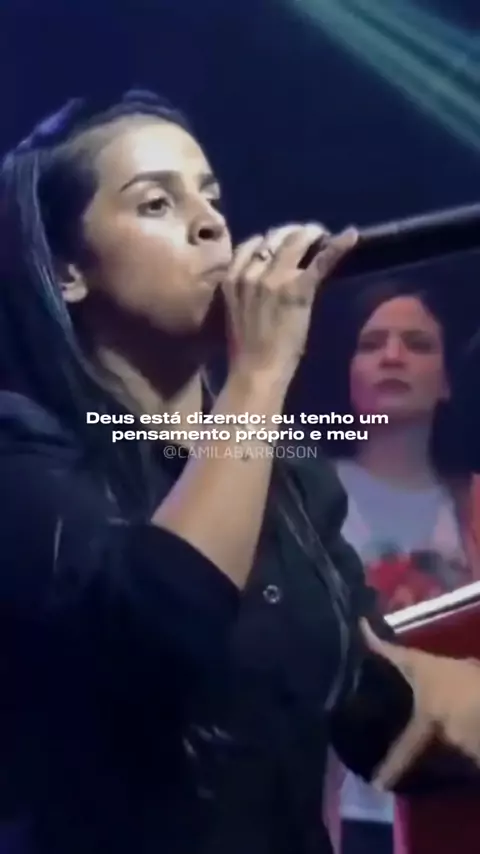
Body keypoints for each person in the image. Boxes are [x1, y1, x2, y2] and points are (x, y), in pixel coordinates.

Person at [1, 90, 480, 854]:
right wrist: (260, 372)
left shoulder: (292, 483)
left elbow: (370, 709)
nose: (211, 224)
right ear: (66, 272)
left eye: (212, 197)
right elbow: (160, 626)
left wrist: (435, 696)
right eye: (157, 203)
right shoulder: (21, 450)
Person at [313, 277, 480, 854]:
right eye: (372, 343)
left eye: (417, 343)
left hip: (455, 804)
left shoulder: (475, 501)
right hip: (344, 810)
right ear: (348, 374)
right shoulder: (299, 496)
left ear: (447, 380)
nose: (393, 356)